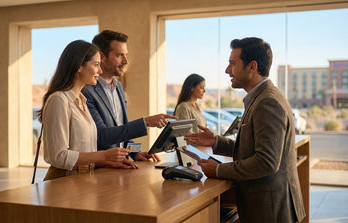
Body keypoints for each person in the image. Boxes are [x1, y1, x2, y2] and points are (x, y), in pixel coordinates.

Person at [185, 37, 306, 222]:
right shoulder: (262, 97)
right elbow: (252, 148)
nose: (227, 70)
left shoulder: (267, 102)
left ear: (252, 67)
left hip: (271, 210)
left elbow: (266, 162)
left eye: (232, 63)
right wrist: (216, 141)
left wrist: (218, 170)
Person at [38, 40, 137, 181]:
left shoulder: (81, 100)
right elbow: (58, 156)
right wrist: (104, 155)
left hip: (85, 178)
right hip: (65, 182)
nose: (100, 71)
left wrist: (109, 162)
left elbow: (82, 152)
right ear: (79, 66)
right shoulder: (59, 100)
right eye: (96, 65)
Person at [84, 30, 177, 161]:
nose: (126, 61)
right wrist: (145, 122)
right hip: (99, 169)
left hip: (121, 169)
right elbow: (102, 136)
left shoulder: (119, 87)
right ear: (102, 57)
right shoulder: (87, 91)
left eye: (126, 55)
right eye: (119, 55)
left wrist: (135, 152)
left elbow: (122, 132)